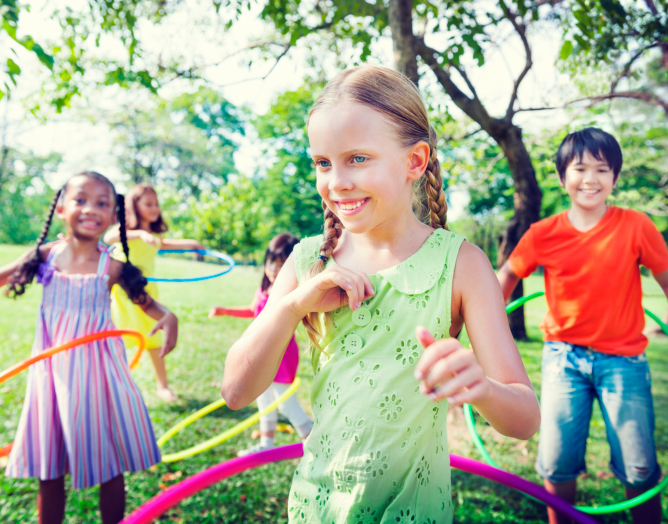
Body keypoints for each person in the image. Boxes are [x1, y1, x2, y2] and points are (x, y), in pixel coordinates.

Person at [221, 65, 540, 523]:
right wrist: (291, 307)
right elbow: (235, 391)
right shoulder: (310, 259)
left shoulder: (462, 264)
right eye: (323, 163)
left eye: (358, 159)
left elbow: (524, 419)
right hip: (318, 507)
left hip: (413, 511)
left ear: (414, 161)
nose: (337, 182)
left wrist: (481, 387)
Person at [496, 128, 668, 524]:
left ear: (615, 178)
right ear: (562, 177)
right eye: (580, 168)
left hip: (624, 361)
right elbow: (504, 278)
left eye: (602, 169)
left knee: (639, 468)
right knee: (557, 465)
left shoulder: (637, 226)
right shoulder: (543, 234)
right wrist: (488, 327)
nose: (590, 178)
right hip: (563, 360)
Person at [0, 172, 178, 524]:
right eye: (80, 200)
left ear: (114, 217)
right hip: (53, 377)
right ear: (62, 207)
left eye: (102, 203)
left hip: (99, 377)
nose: (90, 209)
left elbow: (151, 307)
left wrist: (169, 318)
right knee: (49, 469)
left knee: (108, 461)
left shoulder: (112, 267)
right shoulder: (45, 256)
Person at [210, 233, 313, 456]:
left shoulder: (291, 294)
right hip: (260, 351)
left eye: (281, 264)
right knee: (263, 398)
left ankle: (314, 441)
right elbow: (252, 310)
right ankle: (267, 443)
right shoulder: (264, 291)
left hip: (281, 354)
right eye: (271, 263)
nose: (275, 270)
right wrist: (225, 310)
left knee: (286, 403)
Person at [104, 183, 202, 402]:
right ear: (134, 206)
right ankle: (114, 383)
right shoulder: (127, 230)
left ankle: (163, 386)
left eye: (156, 203)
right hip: (125, 290)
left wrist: (193, 244)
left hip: (147, 290)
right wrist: (138, 234)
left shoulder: (153, 234)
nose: (154, 208)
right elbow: (108, 238)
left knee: (154, 337)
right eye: (148, 203)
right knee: (121, 337)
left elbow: (167, 243)